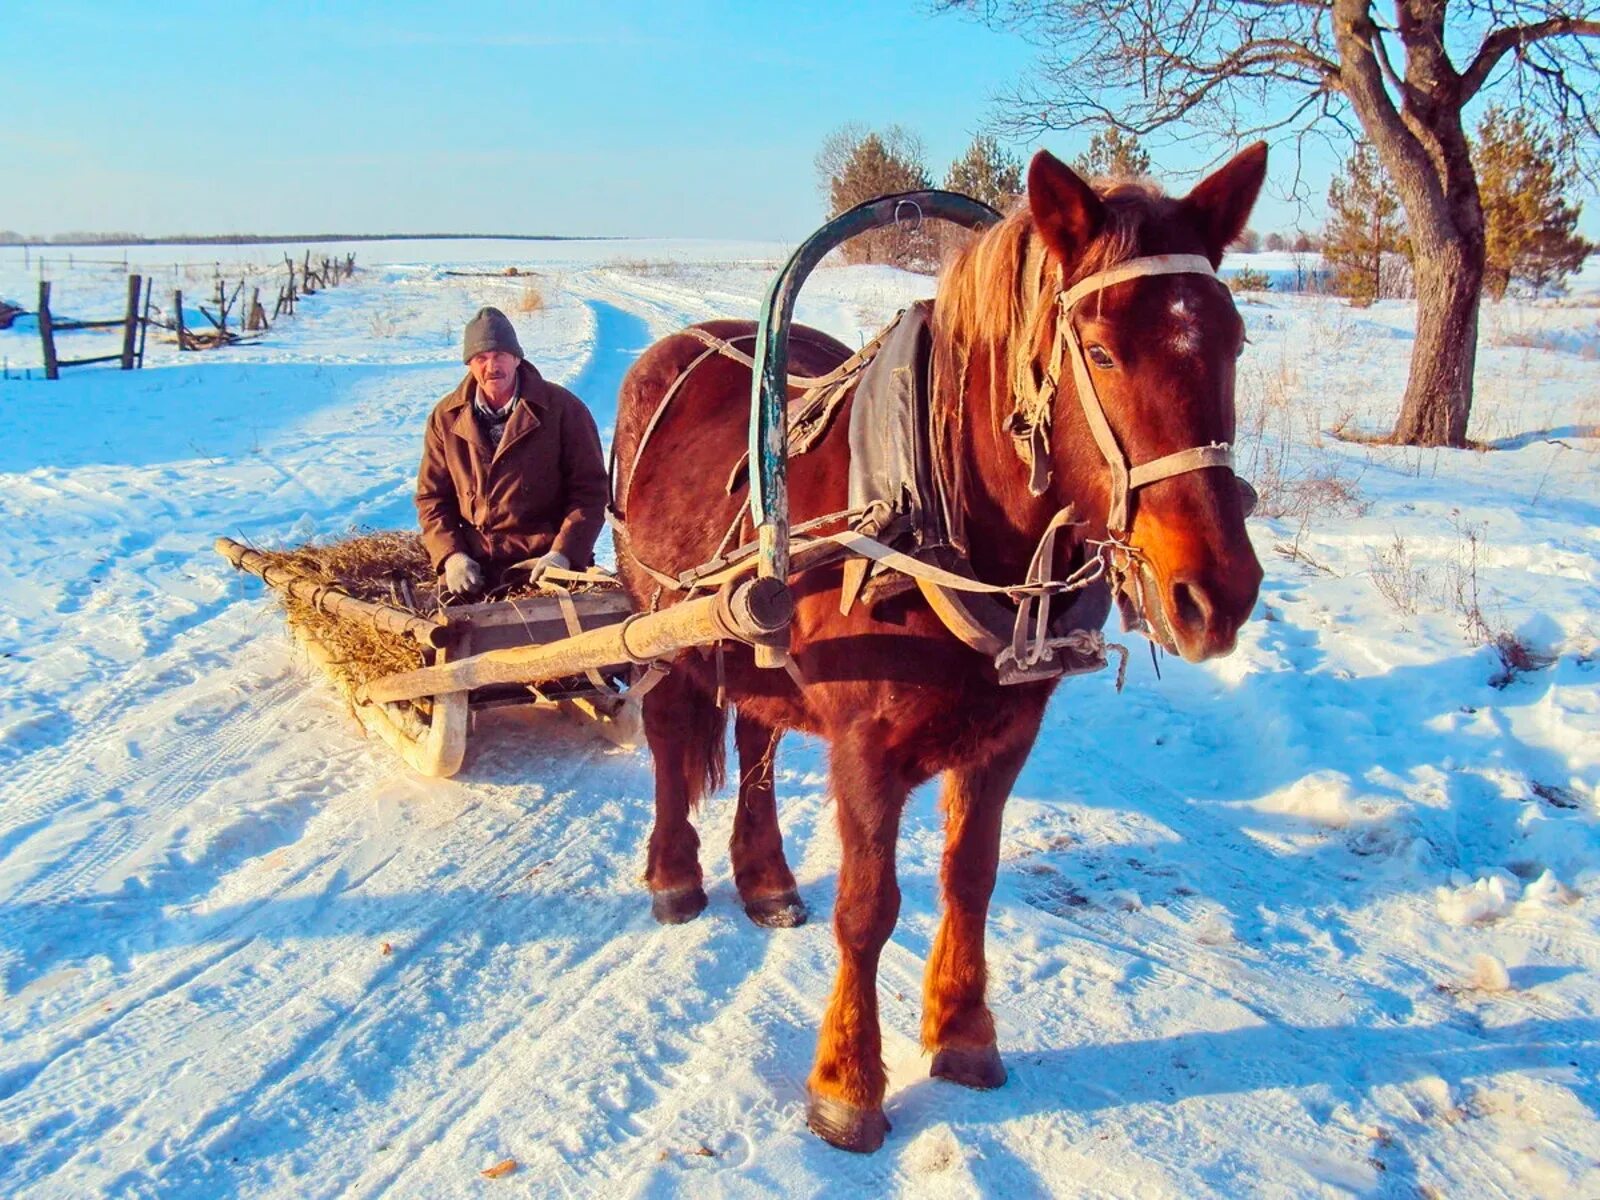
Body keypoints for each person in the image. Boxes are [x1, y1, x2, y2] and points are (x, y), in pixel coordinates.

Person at [416, 306, 608, 597]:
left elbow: (591, 492)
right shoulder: (446, 417)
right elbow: (432, 499)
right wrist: (451, 556)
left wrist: (564, 554)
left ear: (517, 358)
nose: (491, 367)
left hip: (545, 563)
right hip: (474, 566)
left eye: (500, 356)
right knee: (442, 637)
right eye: (481, 358)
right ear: (469, 364)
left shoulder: (563, 409)